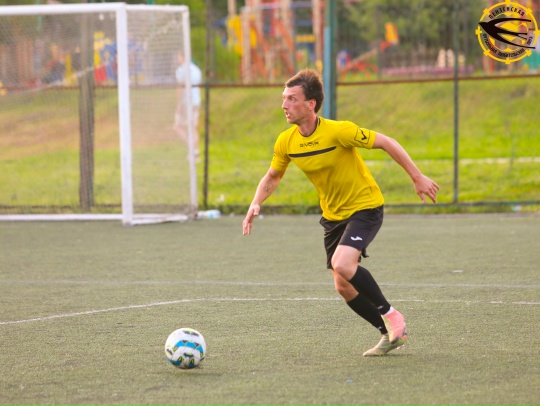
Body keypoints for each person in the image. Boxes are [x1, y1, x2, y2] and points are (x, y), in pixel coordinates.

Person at [242, 69, 439, 357]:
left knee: (343, 264)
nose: (284, 105)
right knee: (343, 285)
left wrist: (417, 176)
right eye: (283, 98)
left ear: (311, 104)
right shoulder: (286, 141)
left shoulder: (339, 131)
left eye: (292, 99)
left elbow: (386, 142)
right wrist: (255, 202)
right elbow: (273, 176)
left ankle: (393, 316)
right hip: (333, 217)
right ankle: (388, 334)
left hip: (365, 206)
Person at [174, 53, 202, 158]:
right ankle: (195, 151)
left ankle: (191, 148)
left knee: (177, 126)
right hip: (196, 101)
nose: (178, 58)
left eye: (179, 56)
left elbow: (180, 87)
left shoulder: (181, 70)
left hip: (186, 103)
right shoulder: (197, 70)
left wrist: (179, 104)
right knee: (193, 128)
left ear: (182, 57)